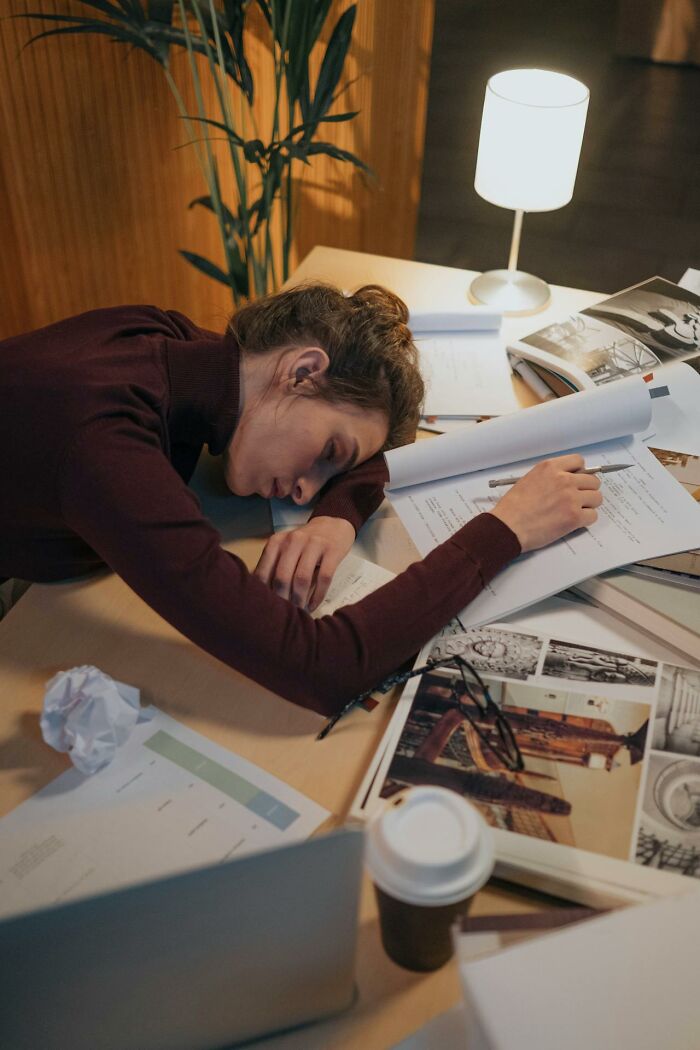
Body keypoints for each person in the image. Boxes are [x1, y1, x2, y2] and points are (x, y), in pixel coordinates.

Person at [0, 283, 602, 715]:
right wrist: (505, 529)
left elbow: (376, 463)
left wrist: (336, 517)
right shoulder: (102, 445)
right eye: (330, 451)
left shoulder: (168, 340)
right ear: (303, 370)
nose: (305, 488)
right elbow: (322, 666)